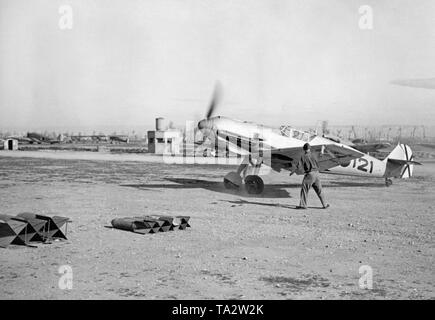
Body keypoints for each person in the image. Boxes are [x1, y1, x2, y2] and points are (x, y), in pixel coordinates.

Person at [295, 143, 329, 209]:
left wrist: (292, 171)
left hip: (310, 175)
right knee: (319, 190)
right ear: (309, 148)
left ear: (304, 149)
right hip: (317, 173)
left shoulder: (303, 156)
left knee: (304, 189)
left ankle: (303, 205)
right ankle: (325, 205)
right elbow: (321, 155)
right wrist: (322, 149)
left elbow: (298, 166)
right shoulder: (314, 154)